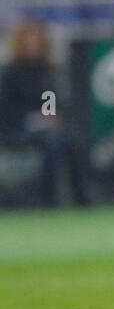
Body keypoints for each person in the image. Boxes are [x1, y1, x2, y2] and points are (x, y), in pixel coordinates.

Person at [0, 21, 88, 206]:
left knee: (71, 138)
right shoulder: (11, 74)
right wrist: (36, 120)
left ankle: (81, 198)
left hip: (44, 130)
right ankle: (49, 198)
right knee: (51, 142)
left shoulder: (44, 72)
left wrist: (51, 116)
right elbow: (8, 110)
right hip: (17, 130)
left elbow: (50, 100)